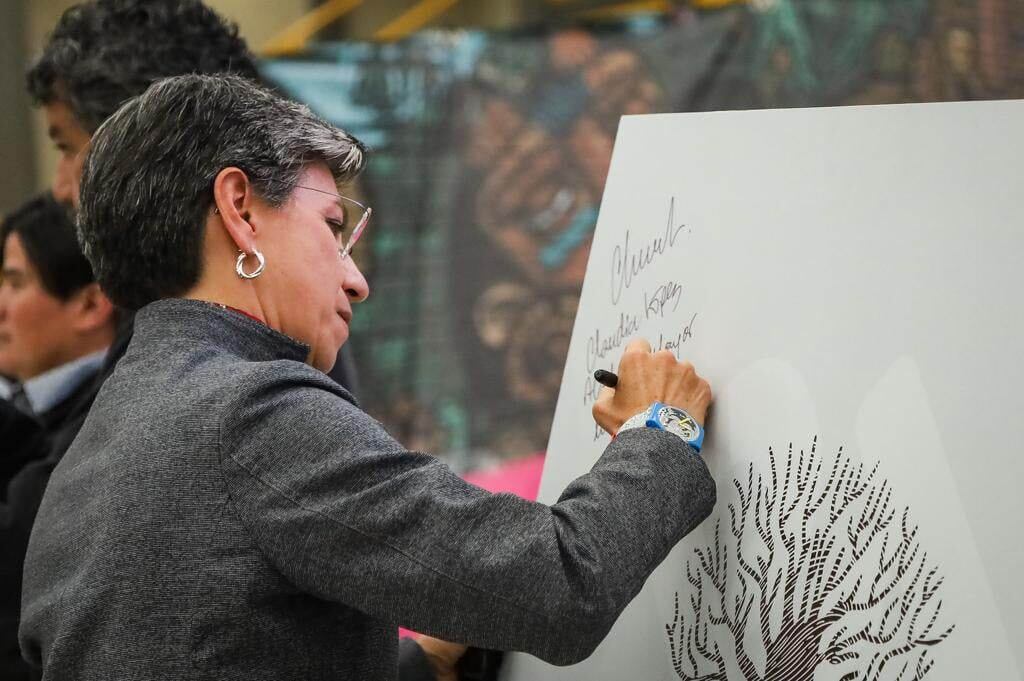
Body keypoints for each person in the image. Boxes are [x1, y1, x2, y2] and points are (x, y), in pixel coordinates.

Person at [19, 73, 716, 680]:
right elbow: (559, 588)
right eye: (332, 227)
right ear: (239, 210)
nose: (357, 280)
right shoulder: (252, 412)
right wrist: (661, 427)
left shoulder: (87, 455)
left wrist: (417, 666)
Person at [0, 194, 117, 680]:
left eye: (15, 282)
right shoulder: (23, 404)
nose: (0, 306)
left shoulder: (106, 416)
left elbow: (14, 553)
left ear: (90, 304)